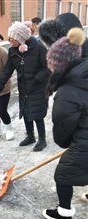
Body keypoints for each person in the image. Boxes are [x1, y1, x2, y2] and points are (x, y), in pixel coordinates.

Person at [39, 13, 88, 202]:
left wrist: (68, 142)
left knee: (64, 174)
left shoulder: (69, 87)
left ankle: (64, 213)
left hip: (83, 137)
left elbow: (63, 122)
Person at [0, 22, 51, 151]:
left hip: (38, 87)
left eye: (12, 39)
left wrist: (37, 78)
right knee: (25, 112)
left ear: (21, 39)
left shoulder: (39, 47)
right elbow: (7, 70)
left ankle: (42, 140)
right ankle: (30, 136)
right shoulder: (13, 51)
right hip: (23, 88)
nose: (9, 41)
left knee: (37, 114)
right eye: (9, 38)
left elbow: (49, 67)